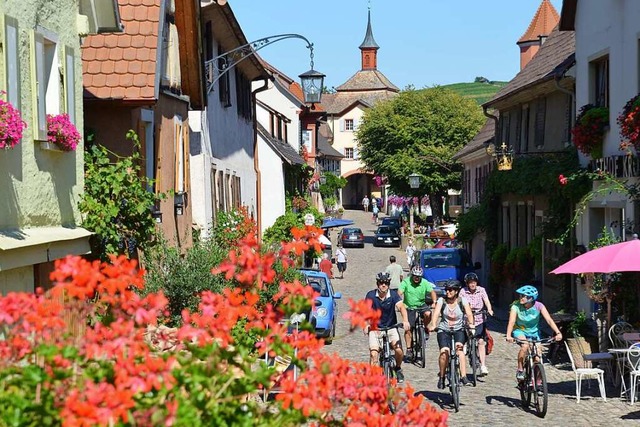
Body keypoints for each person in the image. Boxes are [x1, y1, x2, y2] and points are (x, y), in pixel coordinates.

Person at [505, 285, 562, 382]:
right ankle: (520, 369)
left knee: (538, 358)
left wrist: (558, 332)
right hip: (520, 331)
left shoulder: (539, 306)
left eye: (524, 296)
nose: (521, 298)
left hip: (534, 333)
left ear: (531, 298)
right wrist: (508, 335)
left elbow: (548, 320)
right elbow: (512, 321)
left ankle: (538, 382)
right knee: (525, 346)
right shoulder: (516, 306)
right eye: (521, 296)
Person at [364, 272, 410, 383]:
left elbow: (401, 308)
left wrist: (405, 321)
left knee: (398, 350)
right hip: (375, 329)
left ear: (389, 284)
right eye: (381, 283)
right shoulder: (370, 295)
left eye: (386, 283)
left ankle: (398, 368)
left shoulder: (393, 295)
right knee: (374, 354)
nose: (383, 285)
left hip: (391, 327)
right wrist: (366, 324)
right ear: (377, 284)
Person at [428, 279, 475, 388]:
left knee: (460, 350)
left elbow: (469, 314)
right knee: (444, 352)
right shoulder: (441, 301)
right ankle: (442, 377)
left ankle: (463, 377)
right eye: (447, 290)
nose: (448, 292)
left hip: (459, 330)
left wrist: (471, 325)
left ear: (457, 291)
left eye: (450, 290)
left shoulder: (462, 301)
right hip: (444, 330)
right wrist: (434, 324)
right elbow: (435, 315)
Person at [459, 272, 494, 375]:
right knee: (464, 334)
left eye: (474, 282)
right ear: (467, 284)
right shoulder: (463, 291)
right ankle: (465, 343)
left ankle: (483, 365)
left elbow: (486, 301)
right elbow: (460, 302)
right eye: (470, 283)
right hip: (467, 319)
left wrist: (489, 309)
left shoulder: (481, 290)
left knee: (481, 341)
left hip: (479, 318)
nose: (472, 284)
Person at [398, 266, 437, 359]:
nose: (416, 278)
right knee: (408, 329)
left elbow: (432, 292)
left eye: (418, 276)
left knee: (428, 313)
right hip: (409, 306)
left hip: (421, 304)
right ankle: (409, 349)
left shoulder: (424, 282)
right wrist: (399, 301)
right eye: (415, 276)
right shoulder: (406, 282)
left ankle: (425, 327)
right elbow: (399, 292)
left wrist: (434, 301)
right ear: (412, 275)